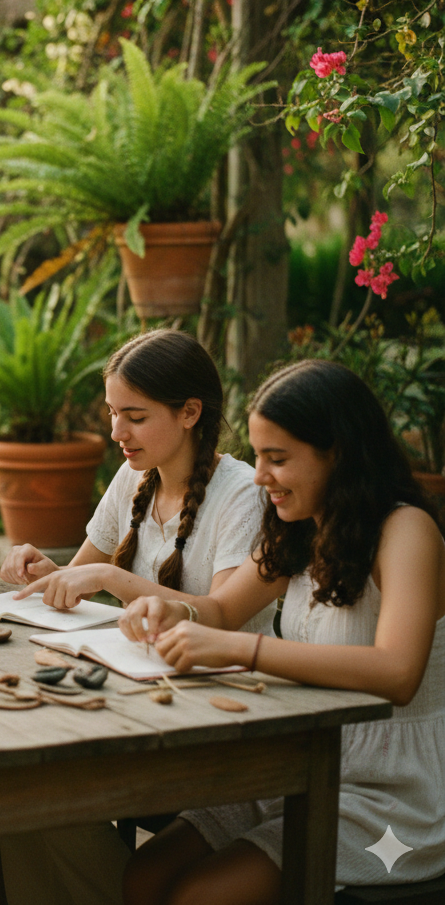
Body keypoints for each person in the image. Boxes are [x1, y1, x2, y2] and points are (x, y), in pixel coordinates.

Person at [120, 359, 445, 905]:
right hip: (302, 763)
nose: (260, 475)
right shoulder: (300, 529)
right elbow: (219, 611)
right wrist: (175, 614)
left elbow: (398, 673)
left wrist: (242, 650)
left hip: (393, 798)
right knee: (145, 874)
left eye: (277, 458)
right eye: (257, 456)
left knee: (203, 895)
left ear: (337, 453)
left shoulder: (405, 531)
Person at [0, 328, 273, 905]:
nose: (116, 432)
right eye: (112, 413)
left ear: (190, 412)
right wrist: (39, 570)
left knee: (33, 789)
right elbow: (74, 580)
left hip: (216, 720)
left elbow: (219, 616)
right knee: (12, 786)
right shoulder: (132, 478)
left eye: (135, 416)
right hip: (136, 700)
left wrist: (107, 579)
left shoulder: (242, 493)